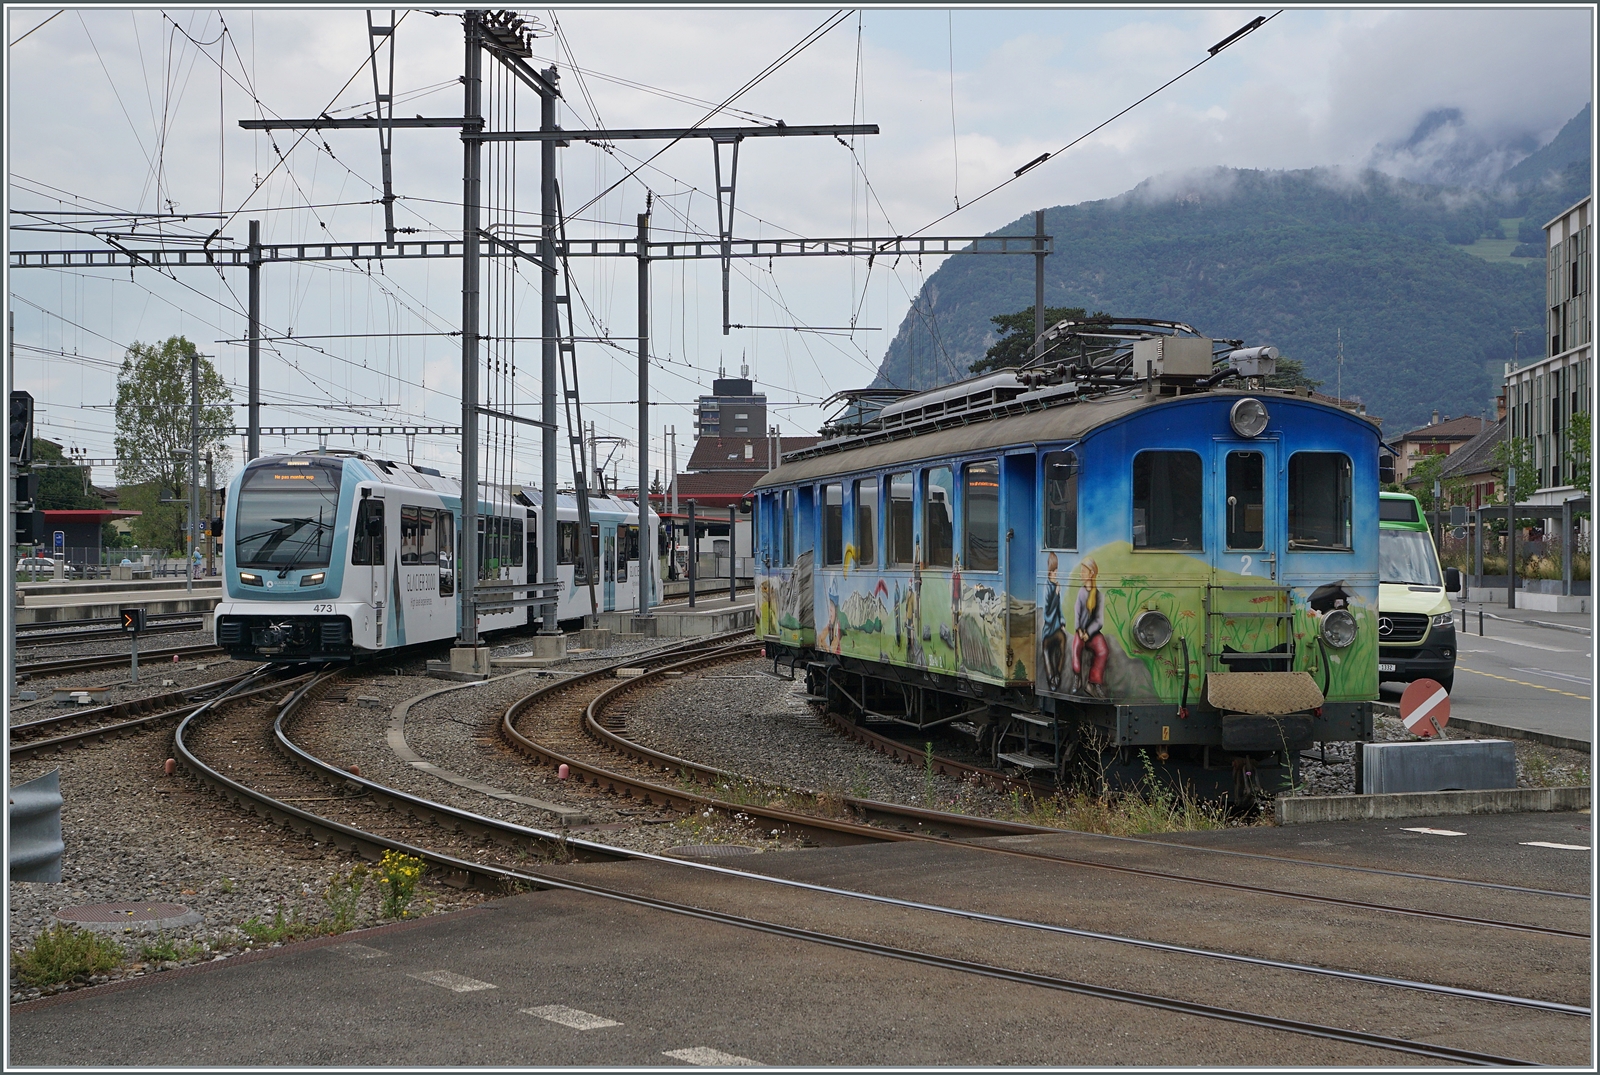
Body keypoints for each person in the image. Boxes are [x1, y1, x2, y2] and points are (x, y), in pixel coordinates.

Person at [1071, 558, 1109, 697]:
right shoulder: (1081, 592)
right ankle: (1077, 677)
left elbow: (1099, 620)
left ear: (1091, 573)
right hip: (1081, 631)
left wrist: (1089, 632)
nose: (1081, 574)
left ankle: (1094, 682)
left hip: (1093, 633)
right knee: (1076, 648)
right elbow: (1077, 612)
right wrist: (1080, 630)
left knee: (1103, 650)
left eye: (1083, 571)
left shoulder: (1099, 595)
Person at [1041, 552, 1067, 691]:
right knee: (1046, 648)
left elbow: (1059, 608)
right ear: (1050, 572)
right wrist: (1056, 594)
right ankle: (1051, 677)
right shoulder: (1047, 587)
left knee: (1063, 642)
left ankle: (1057, 674)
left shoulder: (1056, 585)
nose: (1056, 574)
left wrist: (1062, 622)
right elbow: (1047, 613)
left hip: (1056, 627)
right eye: (1055, 571)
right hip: (1048, 629)